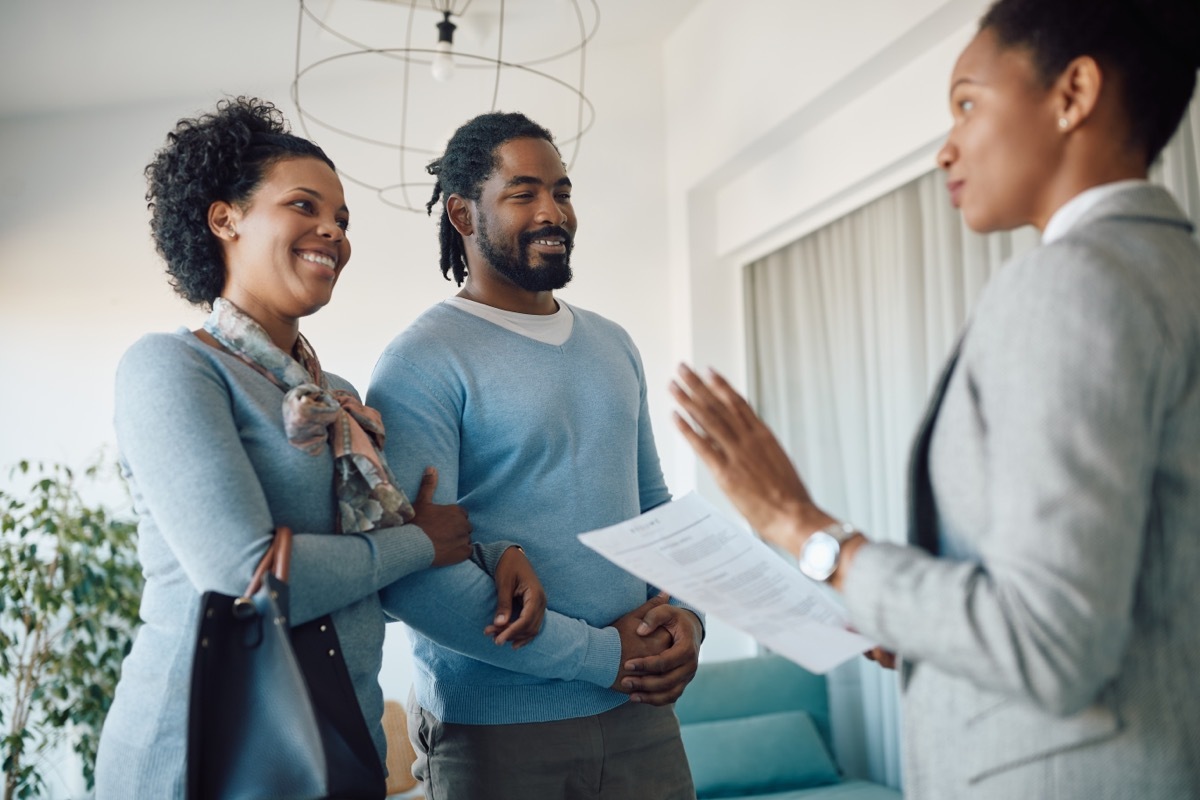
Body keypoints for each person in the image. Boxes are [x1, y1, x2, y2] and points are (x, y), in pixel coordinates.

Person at [670, 0, 1200, 798]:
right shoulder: (1175, 276)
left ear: (1074, 93)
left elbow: (1050, 643)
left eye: (966, 103)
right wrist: (899, 614)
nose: (946, 148)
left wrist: (806, 531)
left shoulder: (1071, 284)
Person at [94, 97, 545, 799]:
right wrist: (424, 545)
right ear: (225, 218)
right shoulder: (172, 369)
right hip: (199, 757)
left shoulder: (336, 395)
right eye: (304, 206)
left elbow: (383, 554)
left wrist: (493, 553)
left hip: (339, 745)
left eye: (341, 220)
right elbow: (247, 580)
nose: (331, 231)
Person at [365, 112, 702, 799]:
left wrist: (689, 617)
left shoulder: (614, 344)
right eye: (523, 194)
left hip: (640, 717)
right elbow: (415, 577)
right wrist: (604, 657)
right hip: (497, 737)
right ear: (462, 213)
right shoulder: (420, 362)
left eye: (563, 191)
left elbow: (654, 512)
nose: (553, 212)